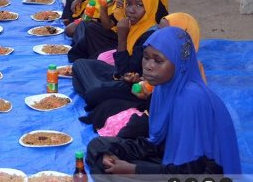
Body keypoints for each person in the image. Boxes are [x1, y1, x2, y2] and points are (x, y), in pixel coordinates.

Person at [86, 26, 241, 176]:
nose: (148, 66)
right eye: (146, 57)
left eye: (158, 61)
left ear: (179, 64)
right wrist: (111, 153)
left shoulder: (191, 100)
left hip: (198, 172)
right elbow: (157, 143)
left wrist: (134, 170)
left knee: (113, 169)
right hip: (170, 157)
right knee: (99, 146)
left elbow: (191, 169)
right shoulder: (162, 88)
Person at [72, 0, 160, 108]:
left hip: (135, 86)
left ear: (151, 6)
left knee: (93, 94)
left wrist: (122, 38)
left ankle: (97, 88)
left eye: (139, 5)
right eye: (128, 4)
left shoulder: (150, 36)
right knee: (80, 64)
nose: (131, 10)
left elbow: (126, 71)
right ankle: (97, 85)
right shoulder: (134, 24)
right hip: (121, 74)